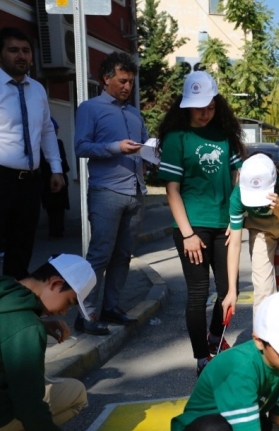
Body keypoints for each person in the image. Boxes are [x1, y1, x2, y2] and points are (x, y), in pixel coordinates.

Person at [157, 71, 246, 376]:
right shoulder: (175, 139)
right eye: (198, 107)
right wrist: (188, 235)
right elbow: (172, 190)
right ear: (186, 106)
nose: (205, 113)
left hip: (224, 225)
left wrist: (236, 219)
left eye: (210, 106)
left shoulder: (225, 136)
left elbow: (237, 177)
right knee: (198, 292)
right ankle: (201, 357)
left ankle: (214, 337)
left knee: (227, 290)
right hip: (191, 227)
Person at [171, 290, 279, 431]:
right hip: (205, 425)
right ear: (259, 341)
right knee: (215, 427)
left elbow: (278, 417)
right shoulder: (243, 368)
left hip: (245, 416)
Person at [74, 52, 147, 336]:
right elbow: (81, 147)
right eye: (122, 80)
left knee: (124, 255)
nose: (127, 86)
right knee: (100, 255)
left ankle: (111, 306)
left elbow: (141, 147)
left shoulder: (134, 113)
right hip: (106, 191)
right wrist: (116, 147)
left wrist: (151, 155)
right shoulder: (90, 108)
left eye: (131, 81)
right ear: (106, 79)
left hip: (135, 190)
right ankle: (86, 313)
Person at [227, 153, 279, 376]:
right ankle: (262, 353)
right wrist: (232, 290)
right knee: (263, 290)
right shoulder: (238, 194)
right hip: (260, 229)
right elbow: (234, 244)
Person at [0, 254, 97, 431]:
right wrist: (34, 324)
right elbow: (29, 407)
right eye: (69, 302)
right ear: (55, 283)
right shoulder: (27, 328)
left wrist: (40, 322)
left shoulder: (5, 288)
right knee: (77, 394)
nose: (64, 312)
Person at [0, 27, 66, 279]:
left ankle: (12, 310)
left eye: (26, 51)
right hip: (1, 178)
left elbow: (47, 130)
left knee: (22, 248)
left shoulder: (37, 89)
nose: (21, 56)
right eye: (13, 50)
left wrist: (56, 169)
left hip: (29, 182)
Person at [40, 118, 70, 239]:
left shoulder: (41, 144)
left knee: (53, 208)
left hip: (48, 179)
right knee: (56, 208)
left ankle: (55, 230)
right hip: (54, 178)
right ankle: (57, 231)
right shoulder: (57, 144)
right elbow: (64, 163)